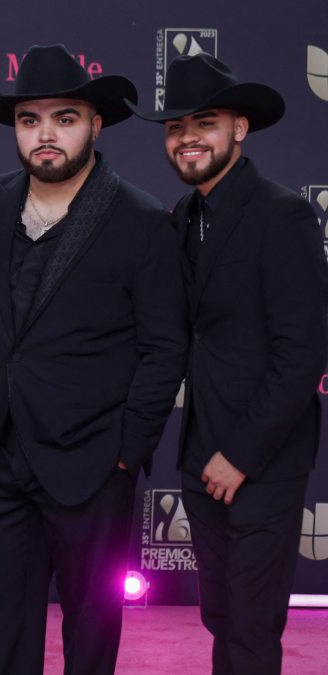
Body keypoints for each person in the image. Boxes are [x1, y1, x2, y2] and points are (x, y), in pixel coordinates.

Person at [0, 43, 187, 674]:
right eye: (30, 120)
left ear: (95, 124)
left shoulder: (140, 220)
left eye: (64, 118)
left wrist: (125, 450)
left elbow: (164, 348)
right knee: (1, 637)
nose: (46, 135)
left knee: (91, 636)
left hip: (92, 465)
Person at [129, 52, 328, 675]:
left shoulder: (282, 214)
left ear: (238, 129)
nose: (187, 137)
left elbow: (303, 350)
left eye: (205, 122)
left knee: (250, 626)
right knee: (220, 617)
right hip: (201, 455)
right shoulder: (183, 218)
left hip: (261, 457)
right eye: (175, 126)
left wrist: (242, 453)